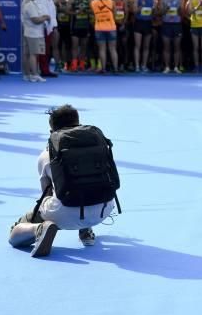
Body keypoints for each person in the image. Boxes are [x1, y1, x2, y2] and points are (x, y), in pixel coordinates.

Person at [8, 105, 119, 258]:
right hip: (103, 210)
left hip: (64, 213)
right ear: (78, 122)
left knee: (15, 233)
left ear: (51, 130)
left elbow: (47, 193)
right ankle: (86, 230)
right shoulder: (98, 143)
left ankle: (40, 229)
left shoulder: (46, 155)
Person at [20, 0, 49, 82]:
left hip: (28, 32)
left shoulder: (25, 3)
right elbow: (36, 20)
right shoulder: (30, 5)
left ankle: (27, 74)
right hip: (34, 33)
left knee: (27, 54)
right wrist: (45, 17)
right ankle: (35, 74)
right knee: (34, 54)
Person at [91, 0, 119, 73]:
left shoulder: (93, 3)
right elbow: (115, 15)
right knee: (112, 49)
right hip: (111, 27)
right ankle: (115, 69)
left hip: (99, 28)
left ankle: (103, 69)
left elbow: (93, 15)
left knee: (102, 49)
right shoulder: (111, 2)